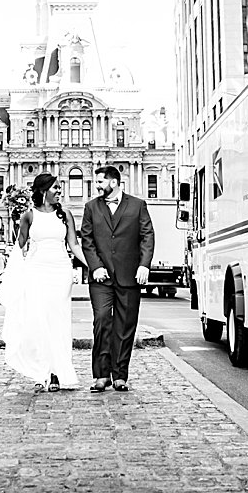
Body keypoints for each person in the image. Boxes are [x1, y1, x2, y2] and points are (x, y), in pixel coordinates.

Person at [1, 173, 87, 392]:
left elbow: (74, 246)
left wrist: (92, 265)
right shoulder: (28, 216)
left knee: (58, 322)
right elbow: (19, 246)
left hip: (60, 272)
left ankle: (58, 373)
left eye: (60, 188)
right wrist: (15, 275)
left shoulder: (65, 214)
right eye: (56, 188)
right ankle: (42, 372)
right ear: (43, 190)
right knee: (38, 322)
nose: (60, 191)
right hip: (36, 271)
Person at [80, 165, 155, 392]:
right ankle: (101, 375)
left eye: (101, 181)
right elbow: (87, 239)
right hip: (101, 278)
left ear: (113, 182)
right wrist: (95, 266)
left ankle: (120, 375)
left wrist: (144, 264)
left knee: (125, 327)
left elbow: (147, 236)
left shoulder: (137, 205)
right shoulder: (91, 207)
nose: (97, 185)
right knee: (102, 321)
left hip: (129, 276)